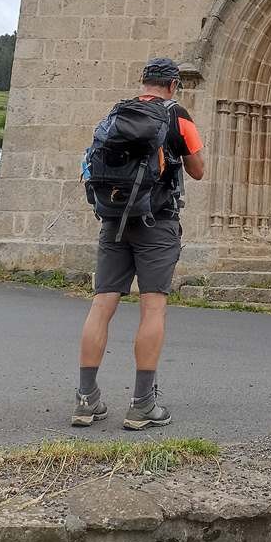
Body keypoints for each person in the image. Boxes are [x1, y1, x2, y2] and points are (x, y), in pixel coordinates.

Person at [72, 58, 205, 430]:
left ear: (143, 82)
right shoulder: (176, 114)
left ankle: (85, 400)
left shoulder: (116, 113)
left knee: (102, 305)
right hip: (156, 222)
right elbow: (198, 170)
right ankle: (142, 403)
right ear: (173, 85)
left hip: (113, 219)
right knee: (153, 308)